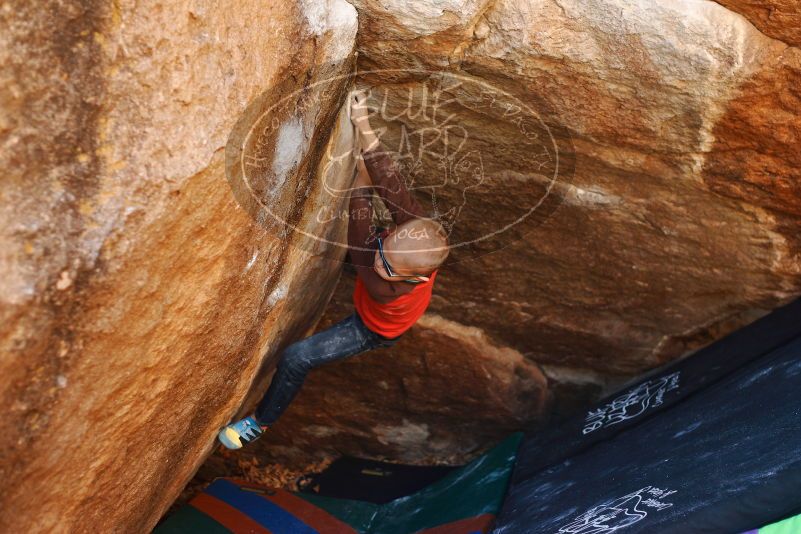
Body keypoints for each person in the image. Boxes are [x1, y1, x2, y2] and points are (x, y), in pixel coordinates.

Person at [218, 90, 450, 449]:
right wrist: (363, 124)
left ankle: (260, 423)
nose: (378, 260)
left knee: (297, 358)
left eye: (386, 265)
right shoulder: (415, 228)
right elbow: (391, 181)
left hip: (373, 327)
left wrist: (360, 187)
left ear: (414, 278)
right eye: (384, 250)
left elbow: (361, 242)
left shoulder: (385, 288)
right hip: (377, 282)